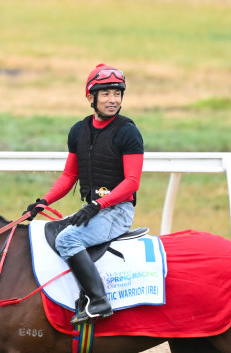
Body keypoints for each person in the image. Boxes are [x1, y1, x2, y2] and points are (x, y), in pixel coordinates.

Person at [25, 64, 144, 325]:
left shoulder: (128, 132)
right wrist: (44, 201)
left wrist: (98, 205)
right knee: (50, 233)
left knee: (67, 241)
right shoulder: (78, 131)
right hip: (95, 209)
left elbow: (132, 182)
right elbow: (69, 176)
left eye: (117, 94)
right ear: (91, 98)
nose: (113, 100)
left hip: (118, 212)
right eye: (106, 94)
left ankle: (99, 301)